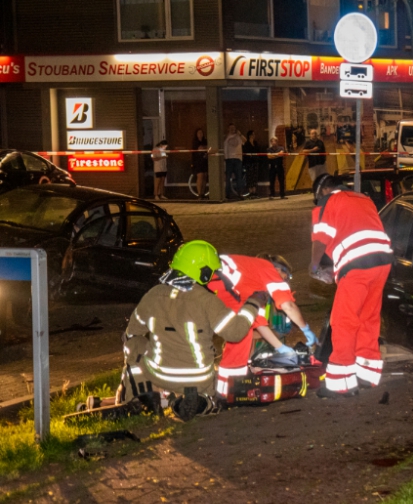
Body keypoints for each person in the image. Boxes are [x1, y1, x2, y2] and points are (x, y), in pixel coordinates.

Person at [120, 240, 257, 420]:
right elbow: (235, 332)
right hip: (198, 380)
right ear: (204, 273)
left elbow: (132, 332)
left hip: (159, 375)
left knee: (135, 342)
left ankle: (137, 397)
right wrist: (253, 305)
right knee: (212, 393)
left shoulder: (153, 295)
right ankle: (202, 402)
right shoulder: (206, 300)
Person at [310, 173, 393, 397]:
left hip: (357, 267)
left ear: (324, 190)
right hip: (382, 262)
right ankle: (367, 373)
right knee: (369, 317)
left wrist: (314, 267)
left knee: (343, 321)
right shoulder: (363, 199)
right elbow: (357, 233)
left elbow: (321, 238)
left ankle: (340, 384)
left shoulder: (328, 201)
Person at [209, 253, 317, 397]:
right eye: (287, 276)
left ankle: (227, 390)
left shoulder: (250, 285)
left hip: (210, 285)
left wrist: (281, 347)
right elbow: (288, 305)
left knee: (242, 330)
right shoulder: (267, 268)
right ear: (279, 269)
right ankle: (229, 392)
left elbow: (258, 322)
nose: (285, 280)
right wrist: (306, 330)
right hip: (213, 283)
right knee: (240, 334)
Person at [223, 124, 246, 200]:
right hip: (229, 159)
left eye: (234, 128)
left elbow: (245, 140)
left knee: (239, 177)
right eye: (231, 128)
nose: (232, 129)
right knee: (228, 177)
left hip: (237, 159)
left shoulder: (238, 136)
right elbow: (224, 148)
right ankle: (227, 194)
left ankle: (240, 193)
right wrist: (225, 158)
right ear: (228, 129)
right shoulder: (226, 137)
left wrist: (240, 134)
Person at [191, 128, 211, 200]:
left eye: (201, 133)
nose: (200, 134)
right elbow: (199, 149)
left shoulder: (205, 141)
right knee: (200, 176)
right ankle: (199, 194)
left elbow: (208, 148)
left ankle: (203, 193)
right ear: (196, 134)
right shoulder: (195, 142)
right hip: (198, 162)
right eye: (199, 133)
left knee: (205, 176)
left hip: (205, 161)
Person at [243, 130, 261, 198]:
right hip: (249, 162)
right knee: (249, 176)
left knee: (255, 176)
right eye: (253, 134)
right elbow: (246, 151)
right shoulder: (247, 143)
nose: (254, 136)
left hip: (255, 162)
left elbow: (258, 150)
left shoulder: (255, 143)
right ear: (250, 135)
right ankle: (250, 191)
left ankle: (254, 191)